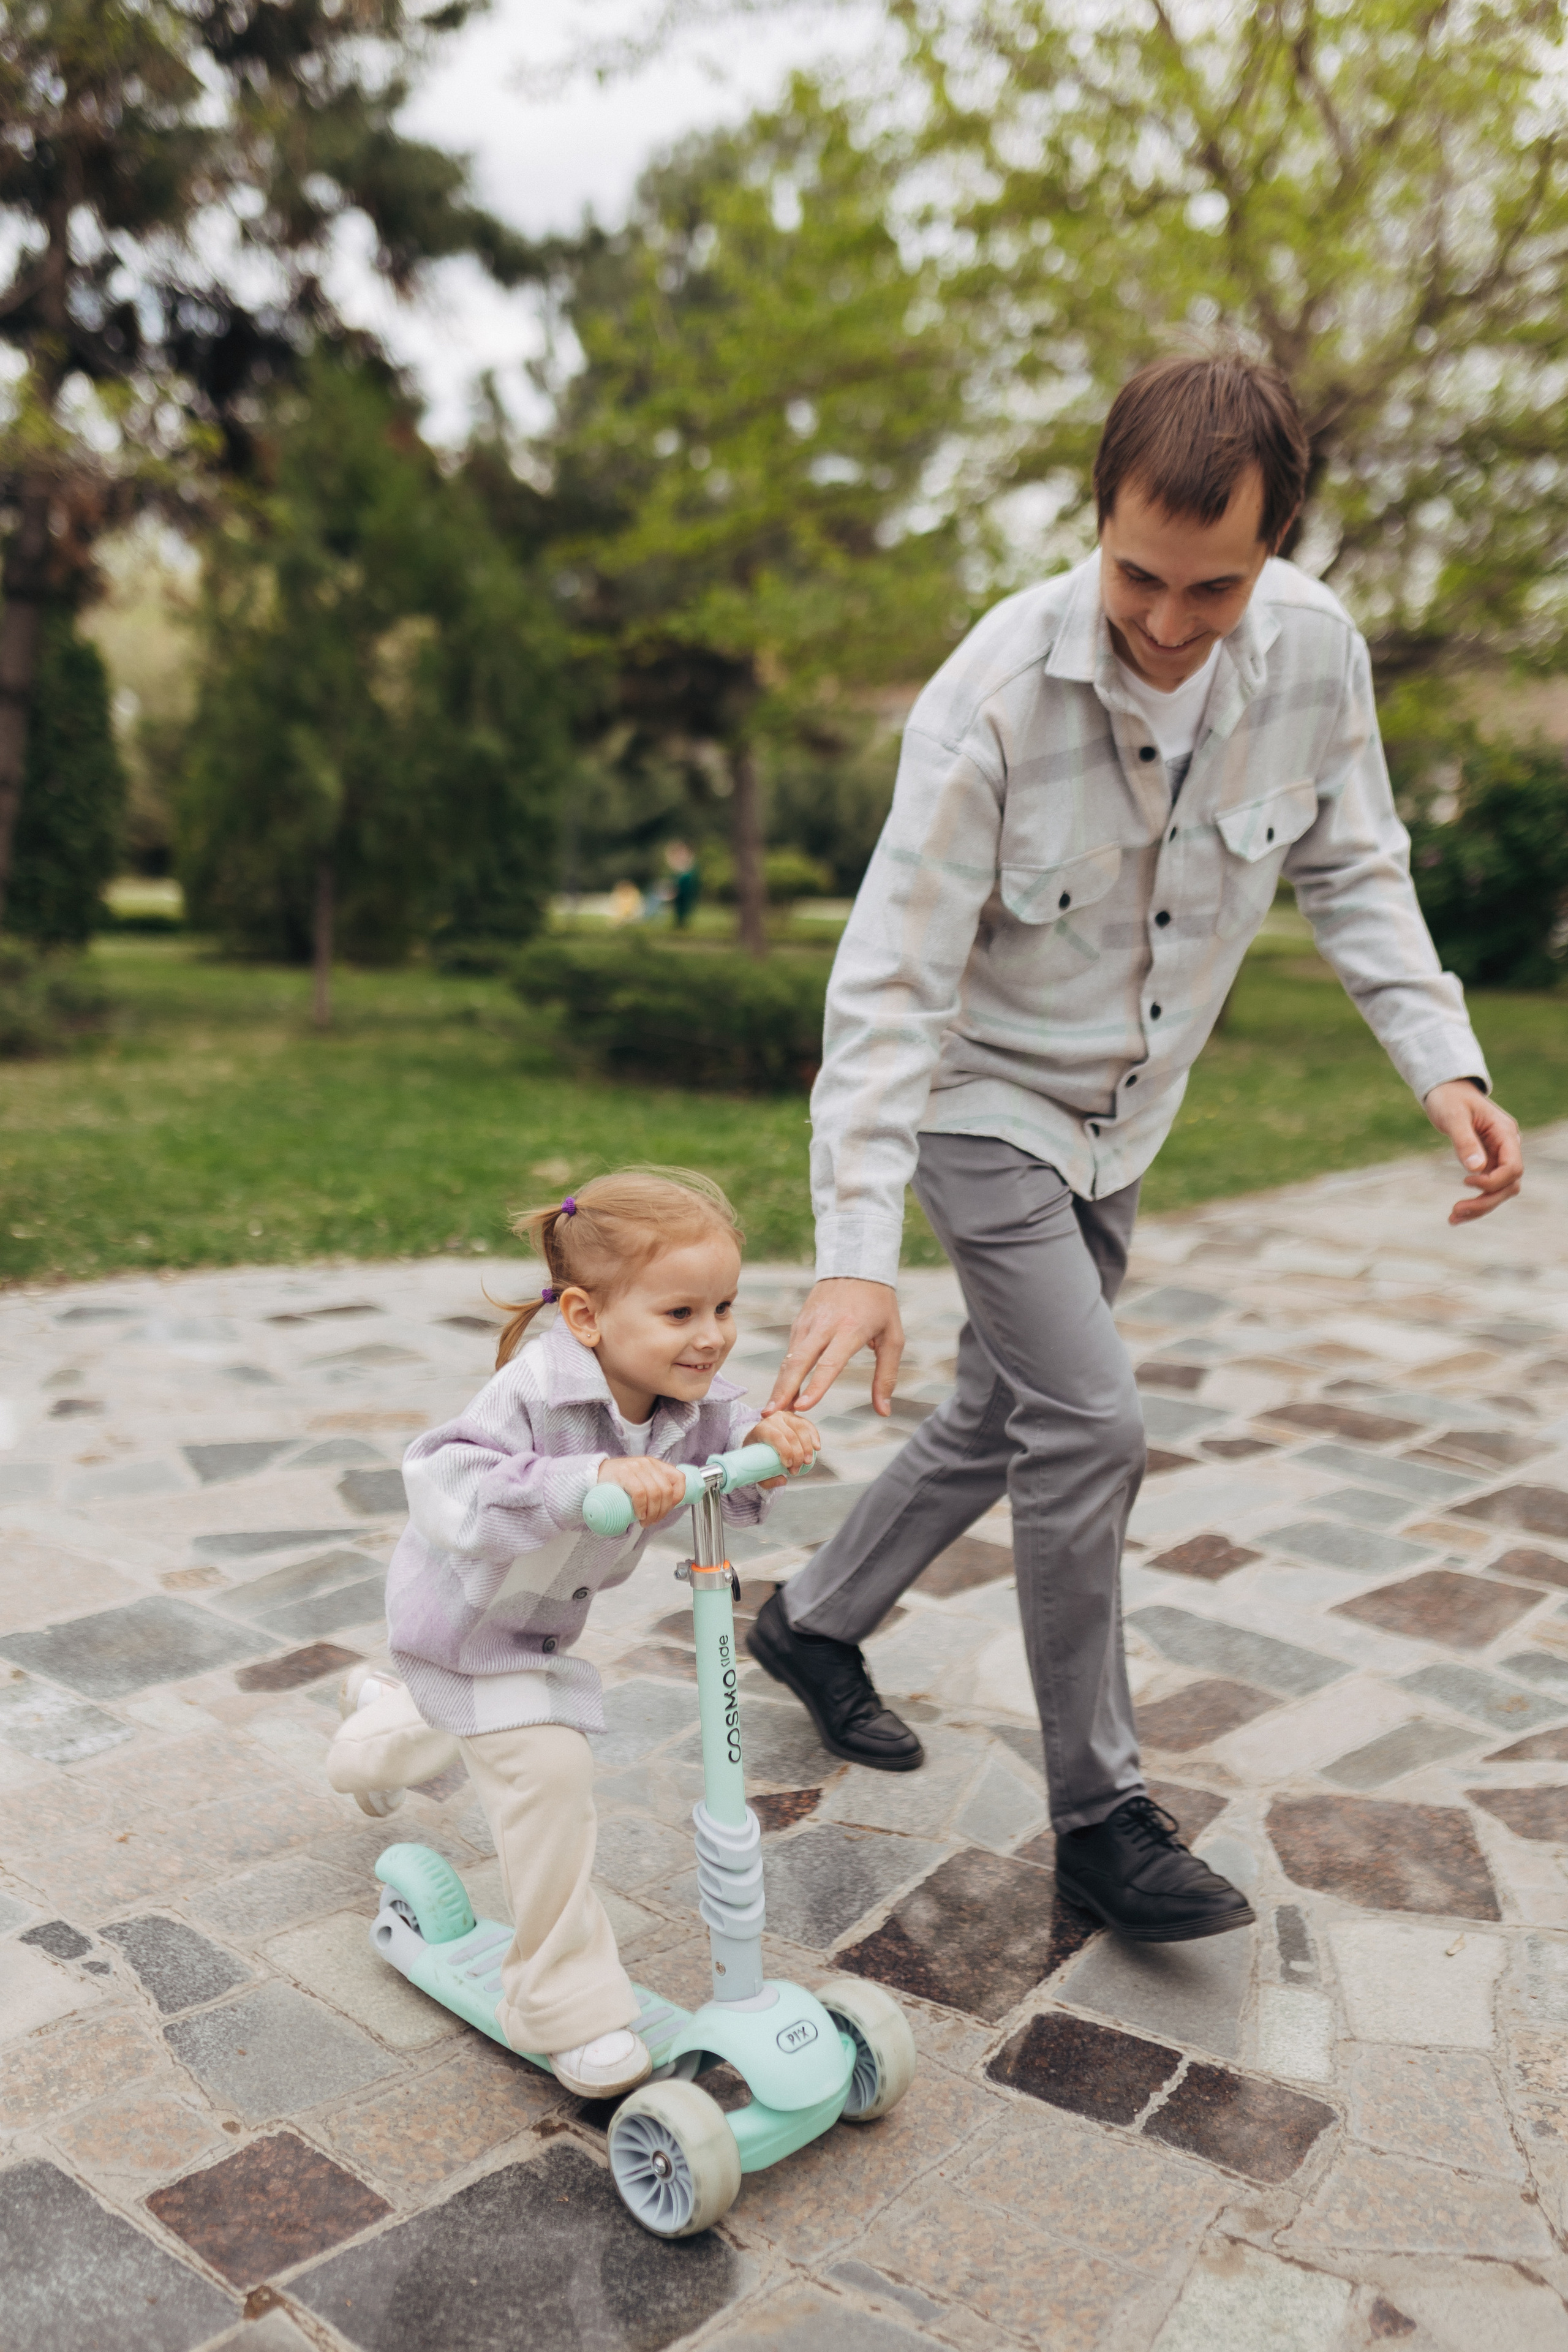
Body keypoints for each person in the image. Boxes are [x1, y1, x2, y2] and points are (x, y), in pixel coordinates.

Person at [750, 352, 1524, 1947]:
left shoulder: (1315, 656)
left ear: (1275, 544)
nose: (1167, 622)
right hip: (981, 1101)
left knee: (1005, 1408)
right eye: (1137, 576)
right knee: (1089, 1425)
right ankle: (1099, 1818)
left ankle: (812, 1621)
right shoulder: (990, 698)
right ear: (1096, 517)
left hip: (1124, 1119)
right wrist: (854, 1255)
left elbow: (1355, 865)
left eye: (1212, 587)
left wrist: (1440, 1061)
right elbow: (888, 983)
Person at [325, 1169, 817, 2097]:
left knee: (431, 1733)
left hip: (536, 1637)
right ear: (587, 1317)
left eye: (724, 1307)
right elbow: (443, 1481)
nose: (711, 1335)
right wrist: (583, 1479)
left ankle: (376, 1712)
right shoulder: (533, 1393)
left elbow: (728, 1465)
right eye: (680, 1313)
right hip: (464, 1625)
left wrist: (769, 1445)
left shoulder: (691, 1397)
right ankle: (564, 2009)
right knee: (547, 1771)